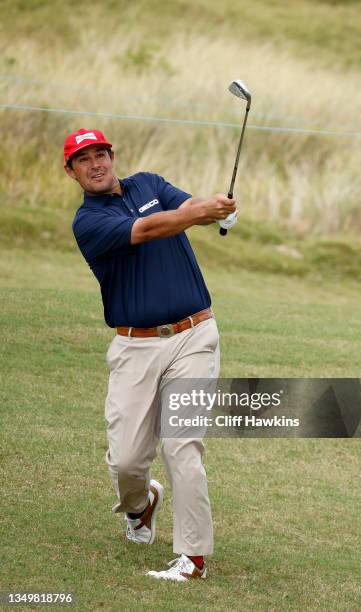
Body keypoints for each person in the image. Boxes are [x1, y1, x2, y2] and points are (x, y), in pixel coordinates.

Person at [64, 128, 237, 582]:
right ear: (72, 171)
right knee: (126, 460)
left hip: (194, 336)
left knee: (183, 445)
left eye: (101, 154)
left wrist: (217, 211)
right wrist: (197, 212)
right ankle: (140, 507)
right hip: (134, 346)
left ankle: (193, 559)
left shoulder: (148, 184)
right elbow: (150, 227)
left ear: (112, 155)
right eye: (84, 160)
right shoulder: (88, 223)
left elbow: (187, 208)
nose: (96, 164)